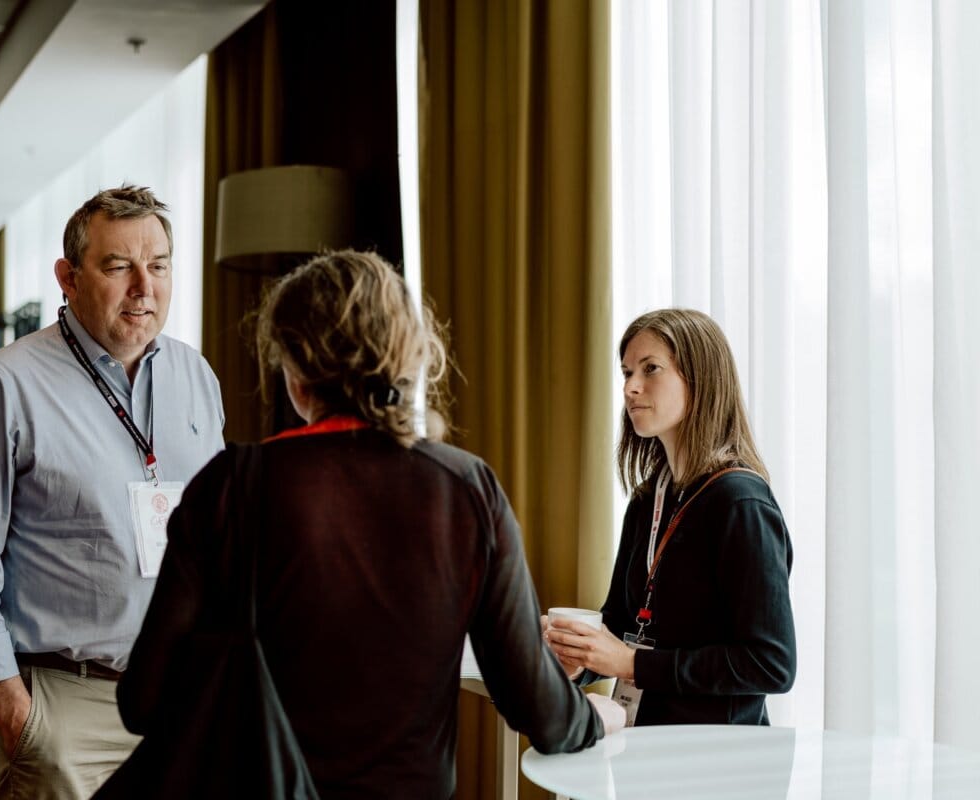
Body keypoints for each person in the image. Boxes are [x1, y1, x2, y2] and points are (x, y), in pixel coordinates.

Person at [114, 250, 623, 798]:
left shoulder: (231, 487)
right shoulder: (466, 489)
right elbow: (537, 705)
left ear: (294, 370)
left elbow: (143, 700)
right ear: (408, 356)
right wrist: (597, 717)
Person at [0, 185, 225, 799]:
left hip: (184, 704)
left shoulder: (196, 376)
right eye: (119, 267)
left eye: (159, 266)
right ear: (68, 276)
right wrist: (15, 712)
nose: (145, 286)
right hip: (67, 710)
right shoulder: (4, 384)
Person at [544, 308, 796, 726]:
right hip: (643, 745)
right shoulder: (647, 500)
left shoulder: (741, 504)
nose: (630, 388)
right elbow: (623, 626)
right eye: (626, 372)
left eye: (650, 369)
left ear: (700, 381)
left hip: (718, 767)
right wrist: (580, 658)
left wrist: (633, 665)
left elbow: (771, 663)